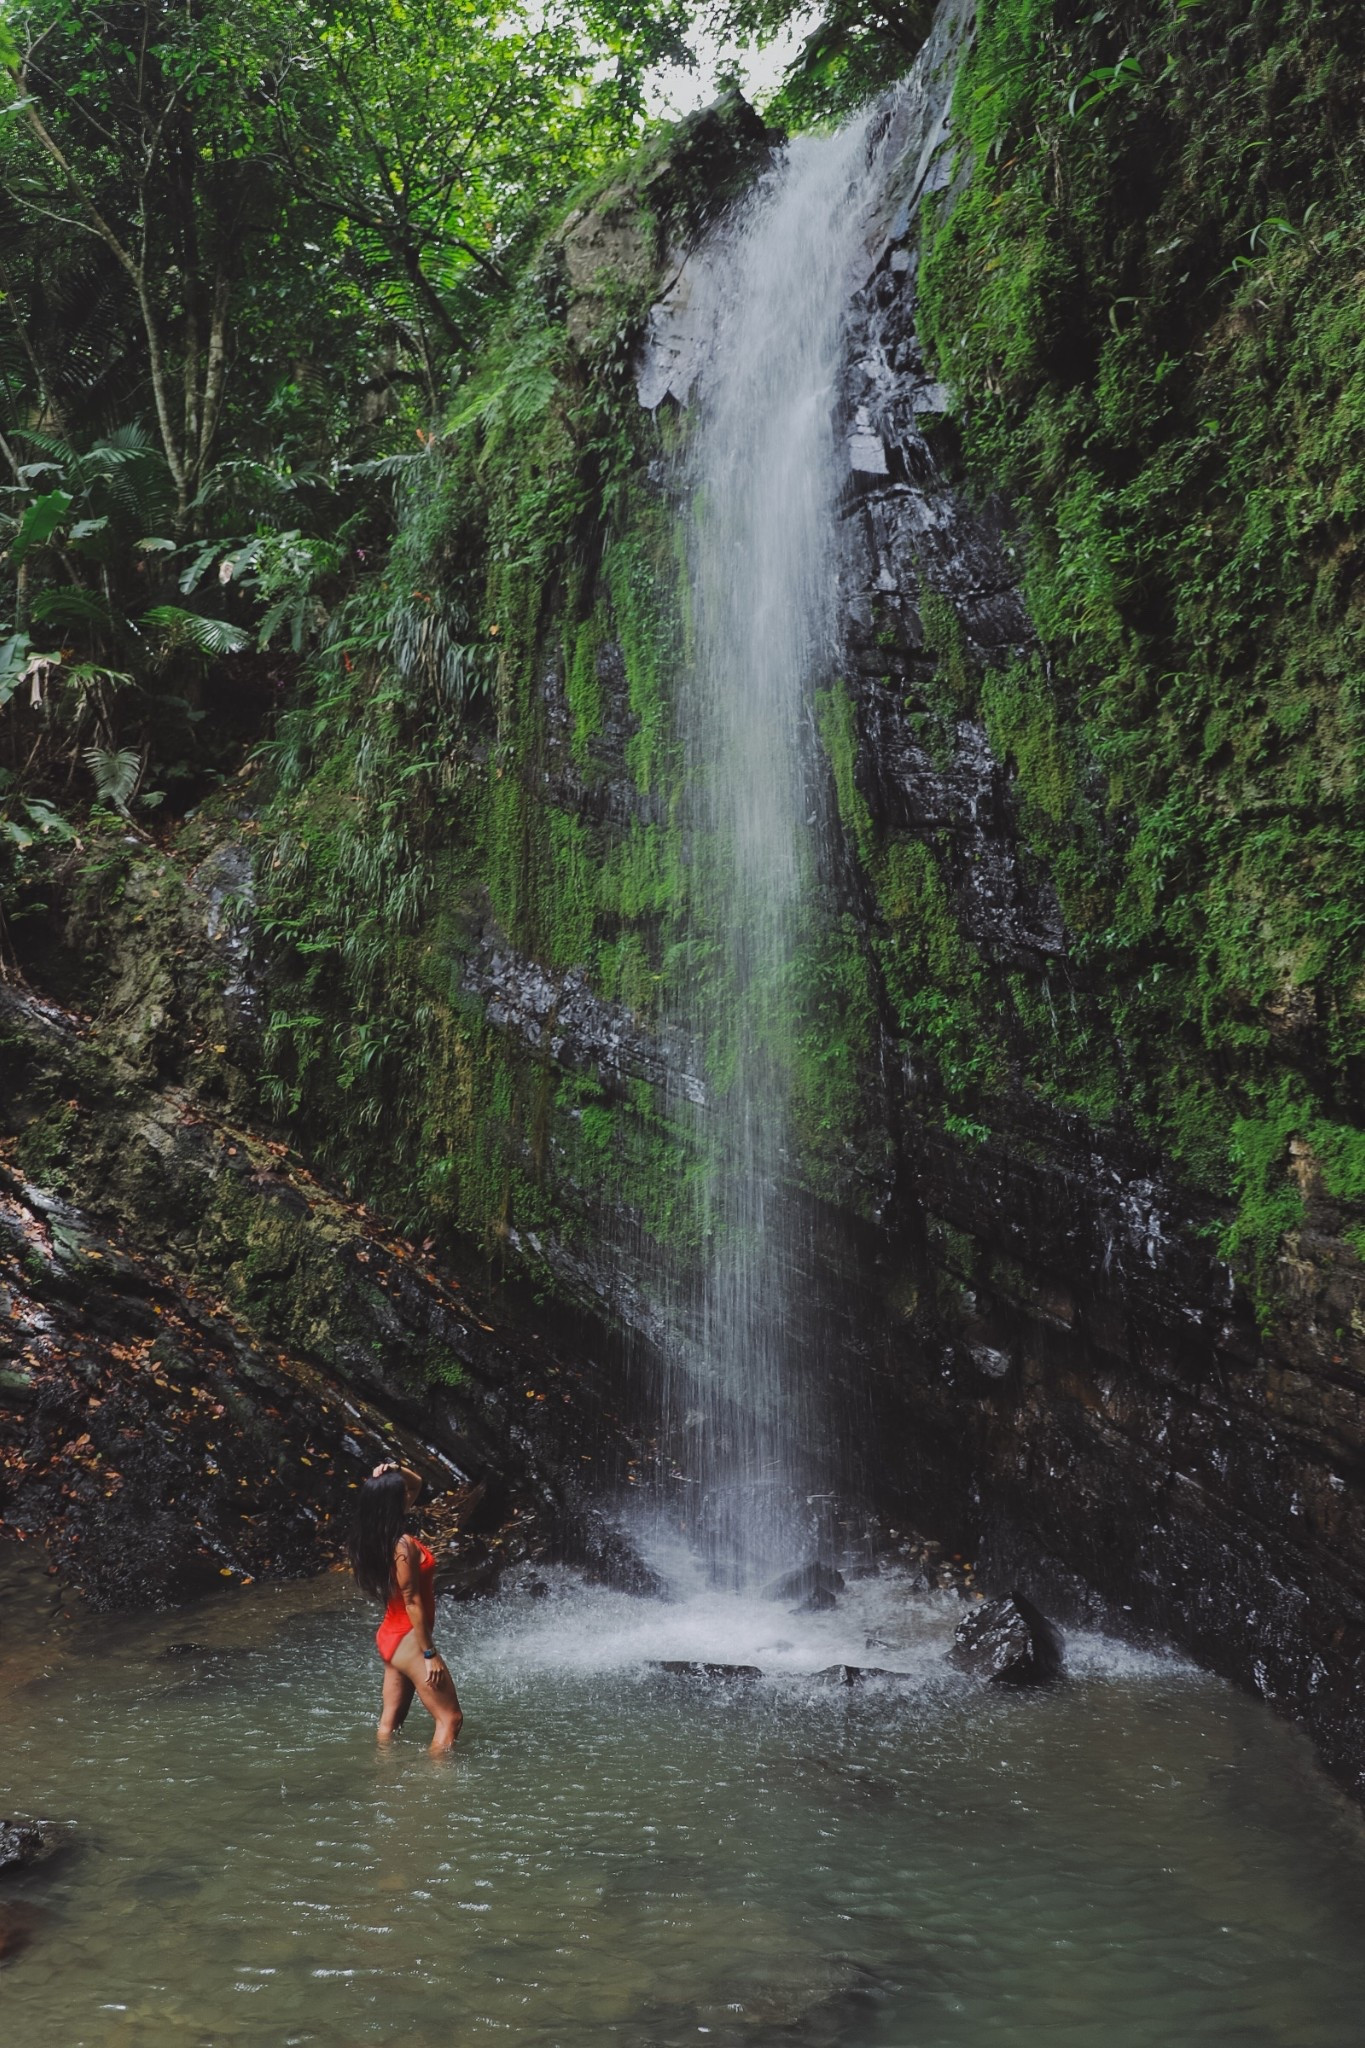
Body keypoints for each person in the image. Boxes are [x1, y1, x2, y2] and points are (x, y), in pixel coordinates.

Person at [349, 1459, 462, 1752]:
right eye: (401, 1493)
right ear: (393, 1502)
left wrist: (395, 1469)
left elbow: (417, 1483)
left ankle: (384, 1772)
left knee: (390, 1723)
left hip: (391, 1635)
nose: (408, 1495)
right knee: (450, 1719)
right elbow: (412, 1601)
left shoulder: (376, 1539)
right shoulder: (402, 1546)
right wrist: (430, 1654)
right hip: (409, 1639)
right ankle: (438, 1778)